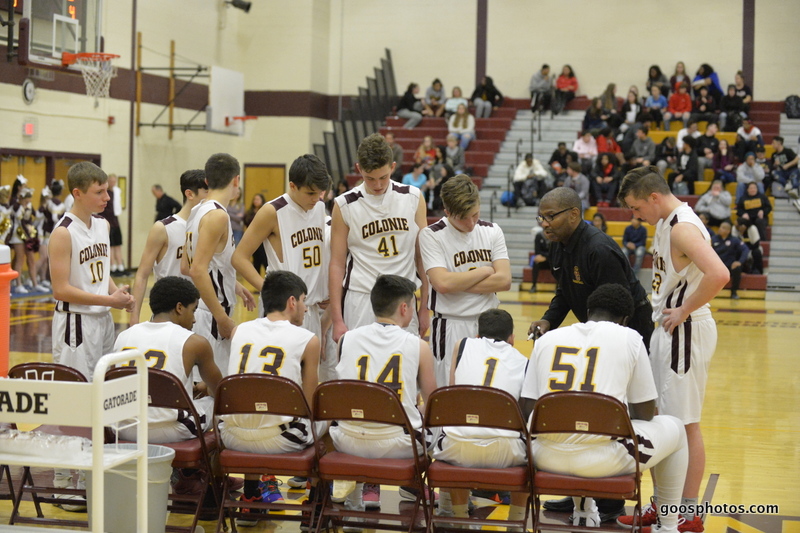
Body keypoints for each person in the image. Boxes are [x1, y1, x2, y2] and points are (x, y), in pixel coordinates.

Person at [522, 284, 688, 533]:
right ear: (625, 319)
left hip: (543, 456)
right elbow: (644, 413)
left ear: (588, 311)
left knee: (571, 419)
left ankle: (584, 511)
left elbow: (527, 408)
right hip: (603, 460)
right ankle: (668, 526)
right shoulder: (630, 338)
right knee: (676, 429)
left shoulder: (548, 339)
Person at [619, 166, 731, 533]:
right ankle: (665, 504)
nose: (636, 217)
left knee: (683, 424)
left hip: (684, 329)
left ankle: (687, 511)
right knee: (667, 420)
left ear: (654, 197)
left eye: (637, 208)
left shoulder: (682, 226)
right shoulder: (665, 222)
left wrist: (685, 309)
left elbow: (719, 274)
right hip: (669, 329)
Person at [49, 162, 135, 503]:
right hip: (76, 324)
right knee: (76, 397)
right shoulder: (63, 232)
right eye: (99, 192)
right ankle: (62, 475)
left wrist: (118, 294)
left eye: (107, 190)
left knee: (100, 394)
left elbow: (102, 273)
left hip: (101, 320)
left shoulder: (101, 224)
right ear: (77, 193)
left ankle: (91, 467)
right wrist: (107, 299)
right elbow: (60, 289)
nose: (107, 196)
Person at [332, 274, 437, 515]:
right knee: (437, 421)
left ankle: (351, 492)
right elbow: (433, 402)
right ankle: (436, 497)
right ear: (404, 308)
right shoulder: (418, 345)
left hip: (347, 440)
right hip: (398, 444)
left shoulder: (345, 340)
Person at [223, 270, 322, 524]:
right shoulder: (308, 339)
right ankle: (316, 504)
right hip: (280, 440)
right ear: (292, 302)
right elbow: (312, 406)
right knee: (331, 423)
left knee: (253, 413)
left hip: (231, 436)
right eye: (303, 300)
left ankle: (251, 498)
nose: (306, 309)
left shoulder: (239, 331)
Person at [329, 132, 430, 346]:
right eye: (370, 178)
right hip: (361, 297)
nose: (377, 184)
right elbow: (337, 264)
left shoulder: (413, 197)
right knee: (360, 372)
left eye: (383, 177)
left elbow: (424, 257)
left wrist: (424, 307)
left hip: (403, 297)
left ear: (393, 167)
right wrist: (337, 319)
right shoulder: (344, 205)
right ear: (359, 169)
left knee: (404, 371)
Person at [433, 309, 529, 525]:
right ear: (512, 338)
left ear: (478, 335)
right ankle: (516, 524)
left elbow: (452, 396)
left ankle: (457, 515)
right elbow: (524, 414)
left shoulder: (463, 345)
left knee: (450, 429)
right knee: (532, 452)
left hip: (457, 448)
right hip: (505, 452)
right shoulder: (524, 361)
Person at [418, 174, 511, 387]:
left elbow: (504, 281)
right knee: (448, 391)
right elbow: (442, 284)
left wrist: (457, 282)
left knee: (487, 390)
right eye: (463, 218)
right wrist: (486, 270)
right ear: (447, 212)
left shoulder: (492, 230)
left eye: (475, 215)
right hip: (450, 324)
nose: (471, 223)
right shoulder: (431, 235)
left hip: (488, 322)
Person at [232, 154, 330, 341]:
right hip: (282, 308)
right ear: (292, 186)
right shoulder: (272, 211)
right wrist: (271, 291)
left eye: (319, 193)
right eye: (310, 193)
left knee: (308, 369)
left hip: (311, 307)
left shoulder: (318, 207)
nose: (316, 198)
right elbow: (239, 257)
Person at [114, 276, 221, 442]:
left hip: (121, 428)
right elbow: (220, 390)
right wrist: (205, 387)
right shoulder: (195, 342)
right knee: (219, 403)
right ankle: (204, 466)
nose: (194, 319)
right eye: (193, 310)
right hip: (168, 431)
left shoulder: (124, 336)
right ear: (179, 308)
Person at [182, 153, 255, 375]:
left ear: (207, 180)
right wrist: (221, 318)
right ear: (236, 180)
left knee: (201, 384)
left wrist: (234, 284)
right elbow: (197, 270)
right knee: (212, 390)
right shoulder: (218, 216)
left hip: (202, 308)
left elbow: (186, 266)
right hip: (212, 312)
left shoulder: (197, 210)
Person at [130, 169, 208, 326]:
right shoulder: (163, 228)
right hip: (169, 312)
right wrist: (134, 317)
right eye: (207, 191)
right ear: (190, 194)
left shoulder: (207, 227)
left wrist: (237, 287)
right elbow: (142, 275)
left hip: (201, 311)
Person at [711, 221, 749, 300]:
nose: (720, 229)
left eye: (723, 228)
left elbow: (745, 249)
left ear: (728, 231)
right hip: (716, 266)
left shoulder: (734, 240)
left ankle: (734, 292)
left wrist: (740, 262)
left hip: (729, 266)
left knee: (737, 269)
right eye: (720, 227)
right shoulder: (713, 239)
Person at [101, 174, 126, 275]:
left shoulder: (116, 192)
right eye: (110, 181)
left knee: (117, 245)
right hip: (107, 221)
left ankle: (120, 267)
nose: (112, 183)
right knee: (110, 245)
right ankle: (112, 267)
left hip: (115, 221)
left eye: (114, 181)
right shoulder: (105, 194)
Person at [243, 193, 268, 275]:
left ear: (262, 201)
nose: (256, 201)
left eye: (258, 199)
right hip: (253, 240)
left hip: (263, 240)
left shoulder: (265, 211)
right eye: (255, 199)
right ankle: (256, 284)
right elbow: (246, 221)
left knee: (265, 261)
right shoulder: (249, 212)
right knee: (256, 261)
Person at [529, 222, 550, 293]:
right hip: (542, 260)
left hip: (551, 260)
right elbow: (537, 251)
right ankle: (534, 286)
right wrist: (545, 257)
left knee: (559, 263)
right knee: (536, 262)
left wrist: (546, 257)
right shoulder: (539, 236)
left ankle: (558, 287)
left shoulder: (555, 237)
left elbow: (556, 252)